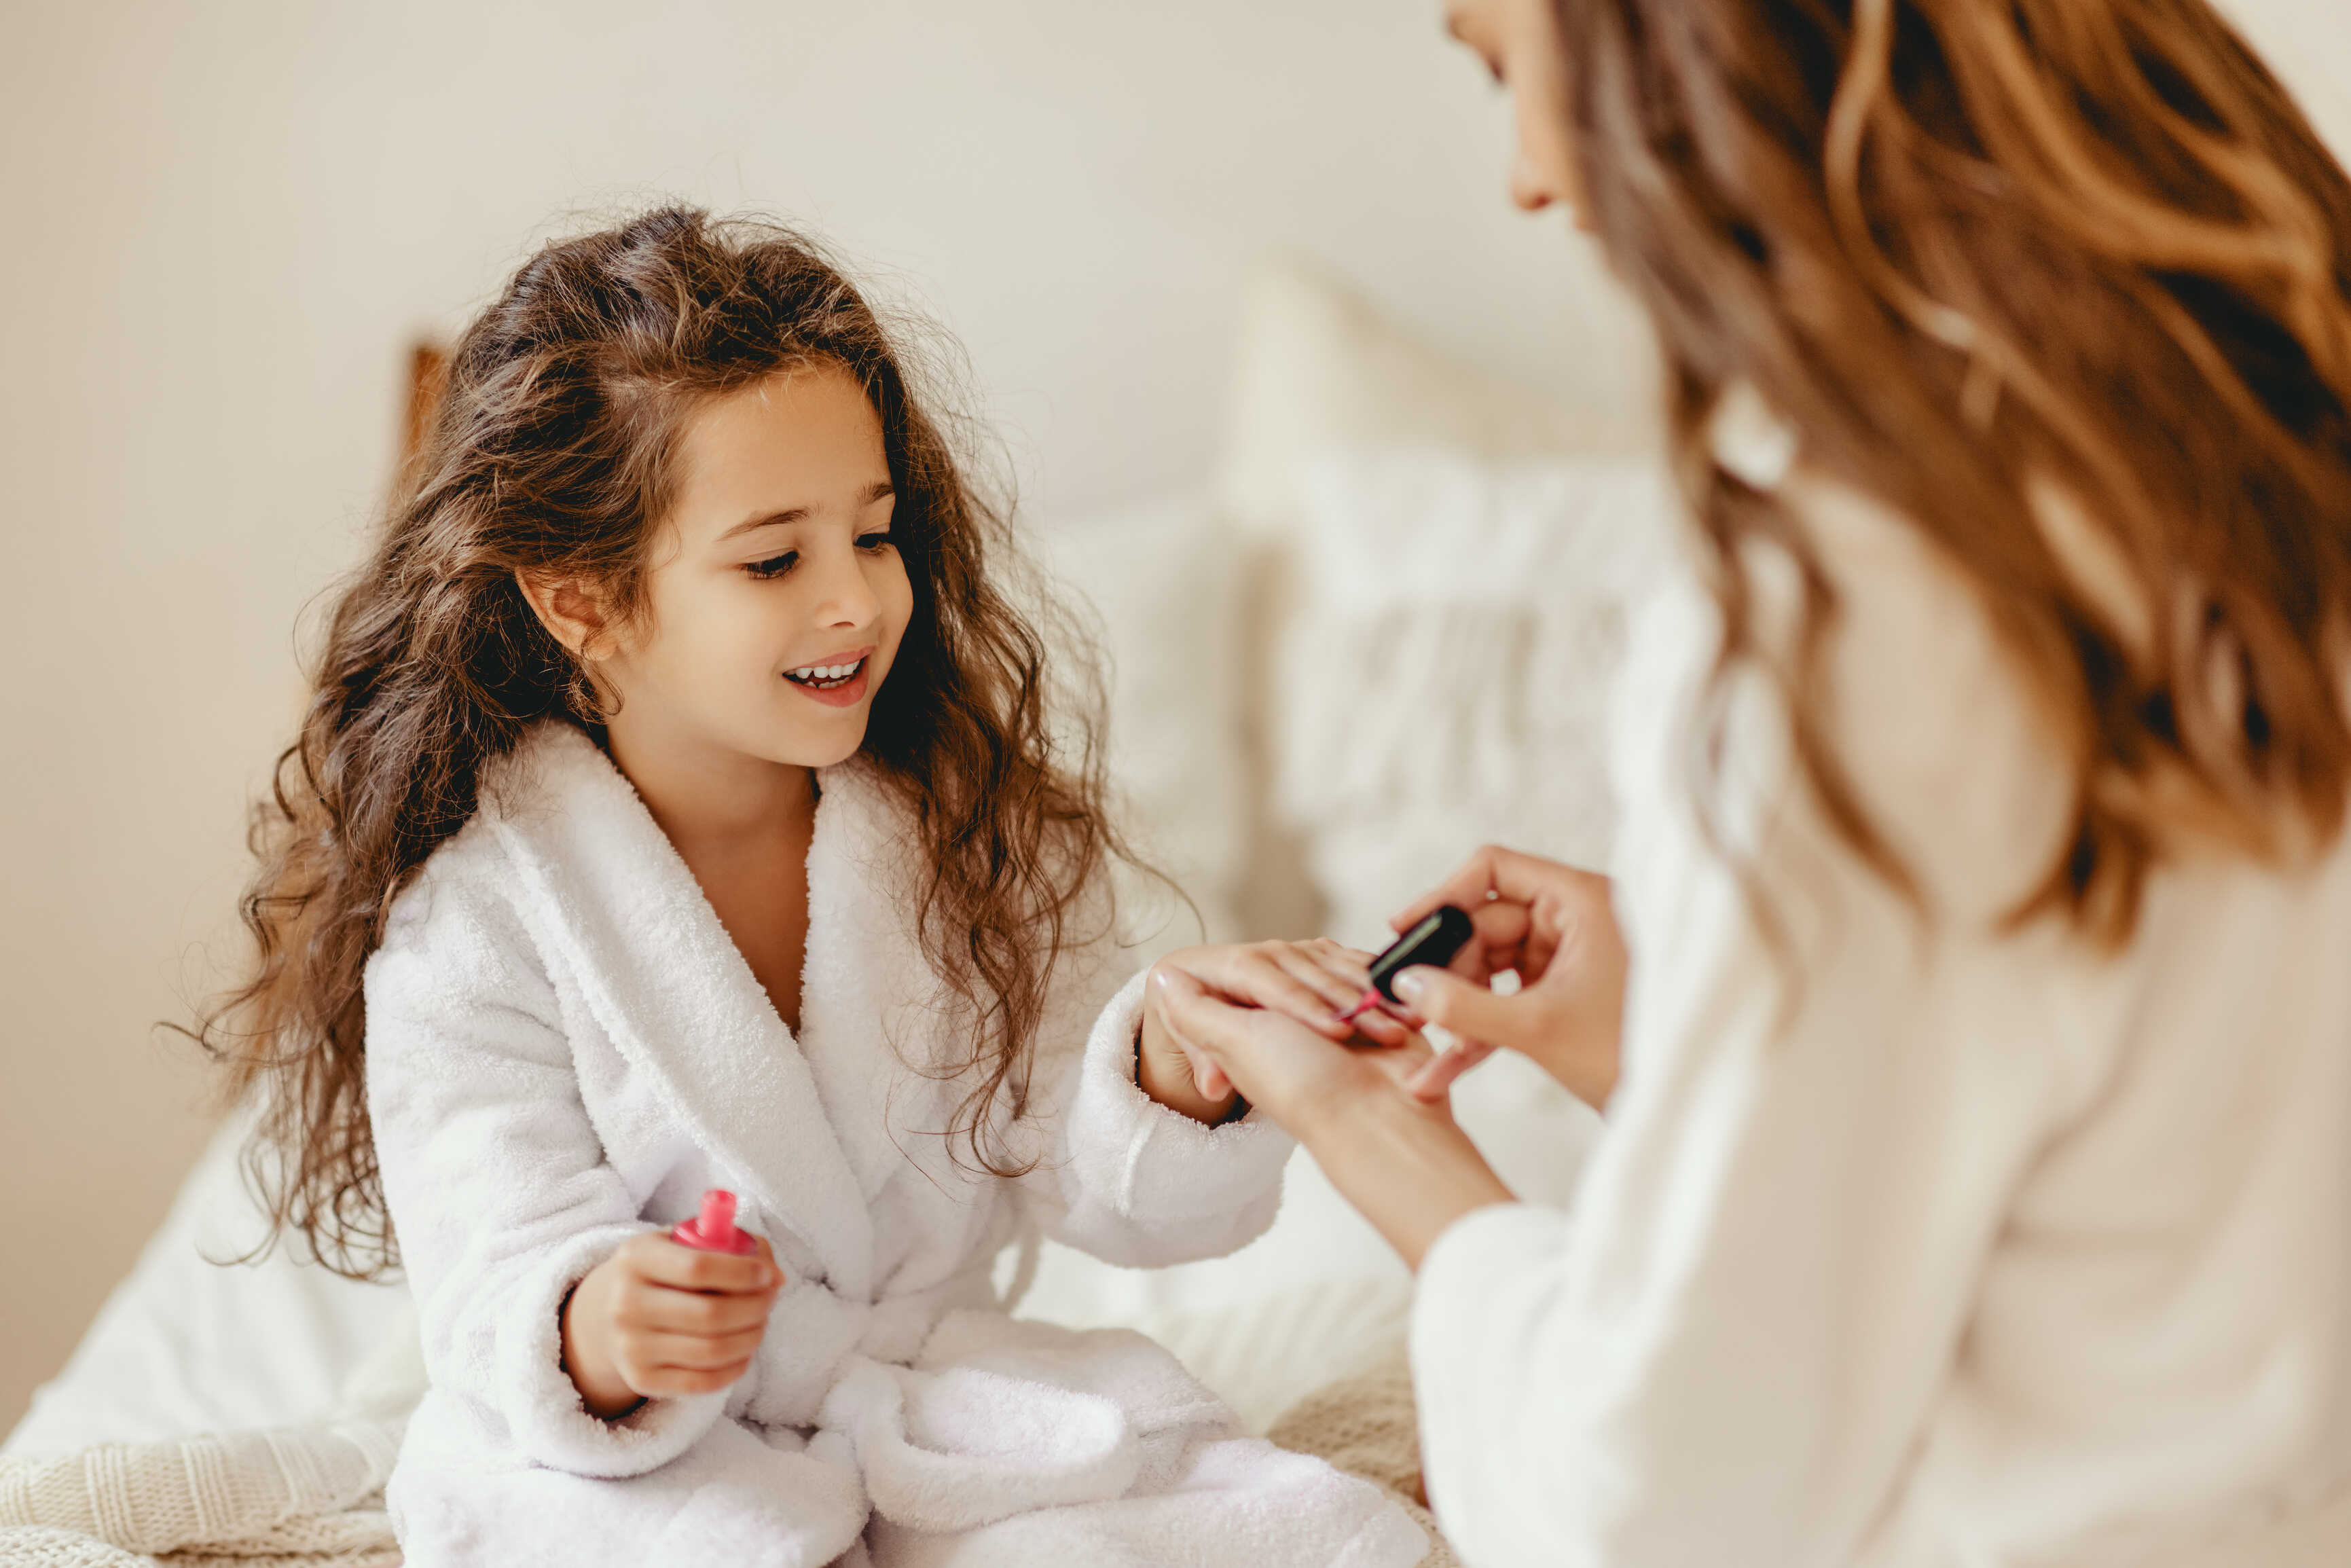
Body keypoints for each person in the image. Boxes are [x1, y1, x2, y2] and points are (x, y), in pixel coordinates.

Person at [1152, 0, 2351, 1563]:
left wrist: (1366, 1134)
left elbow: (1659, 1510)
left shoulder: (1846, 597)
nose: (1526, 178)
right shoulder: (2256, 425)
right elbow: (2132, 1161)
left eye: (1502, 63)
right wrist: (1683, 1029)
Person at [196, 208, 1429, 1567]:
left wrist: (1172, 1063)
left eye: (876, 535)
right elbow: (494, 1263)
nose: (855, 602)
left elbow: (1069, 1160)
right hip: (645, 1465)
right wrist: (606, 1329)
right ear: (581, 602)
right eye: (775, 559)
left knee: (1307, 1542)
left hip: (927, 1411)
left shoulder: (967, 833)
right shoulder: (477, 923)